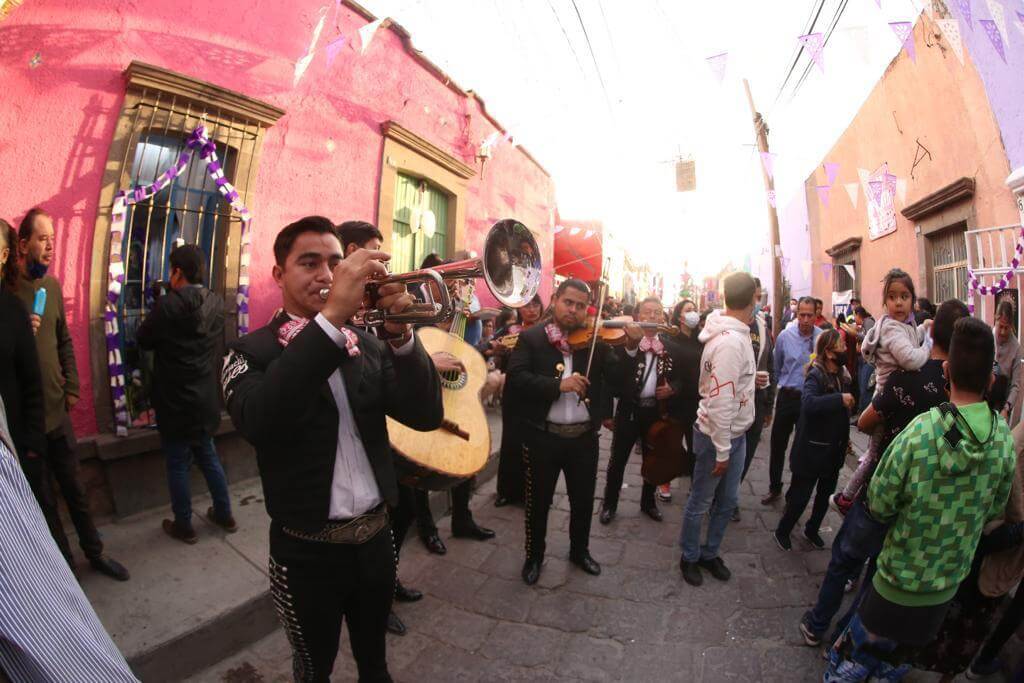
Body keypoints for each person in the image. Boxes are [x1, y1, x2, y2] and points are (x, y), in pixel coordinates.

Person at [221, 216, 443, 681]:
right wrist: (329, 321)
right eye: (309, 263)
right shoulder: (247, 352)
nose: (326, 275)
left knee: (376, 666)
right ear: (279, 274)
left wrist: (402, 337)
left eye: (336, 263)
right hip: (306, 555)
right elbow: (261, 420)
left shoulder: (367, 343)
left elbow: (423, 416)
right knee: (313, 670)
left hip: (376, 542)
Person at [824, 316, 1016, 681]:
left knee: (849, 666)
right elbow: (994, 508)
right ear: (990, 380)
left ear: (946, 370)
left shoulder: (923, 431)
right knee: (893, 668)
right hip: (943, 592)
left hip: (894, 586)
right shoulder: (1002, 439)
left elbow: (879, 502)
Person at [798, 299, 967, 648]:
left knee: (845, 559)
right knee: (876, 573)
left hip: (880, 487)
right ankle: (847, 631)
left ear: (930, 331)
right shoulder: (955, 391)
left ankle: (817, 625)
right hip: (916, 499)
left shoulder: (908, 378)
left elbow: (864, 422)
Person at [15, 208, 129, 582]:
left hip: (58, 413)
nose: (50, 245)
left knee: (76, 491)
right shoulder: (8, 293)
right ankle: (66, 571)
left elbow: (64, 339)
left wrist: (72, 386)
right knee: (45, 501)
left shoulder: (51, 286)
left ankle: (95, 553)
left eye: (52, 238)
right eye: (42, 238)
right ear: (22, 244)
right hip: (27, 423)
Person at [508, 279, 615, 585]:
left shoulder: (596, 341)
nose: (574, 310)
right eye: (568, 302)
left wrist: (632, 345)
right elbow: (517, 378)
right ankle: (534, 556)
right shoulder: (531, 338)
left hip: (583, 438)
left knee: (583, 501)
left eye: (581, 306)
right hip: (543, 437)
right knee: (538, 502)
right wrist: (559, 385)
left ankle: (579, 551)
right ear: (555, 300)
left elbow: (616, 379)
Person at [136, 245, 237, 544]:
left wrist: (160, 303)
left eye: (171, 271)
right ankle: (225, 513)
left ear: (177, 271)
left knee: (178, 462)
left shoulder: (168, 305)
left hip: (174, 399)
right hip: (204, 396)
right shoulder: (216, 302)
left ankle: (184, 524)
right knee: (207, 455)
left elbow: (144, 338)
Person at [678, 272, 757, 587]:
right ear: (752, 300)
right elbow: (721, 401)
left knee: (726, 502)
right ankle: (690, 555)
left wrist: (751, 384)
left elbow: (728, 389)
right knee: (701, 500)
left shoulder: (735, 335)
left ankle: (709, 553)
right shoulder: (730, 343)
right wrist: (723, 449)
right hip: (717, 437)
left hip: (732, 433)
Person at [832, 268, 931, 514]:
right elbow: (910, 358)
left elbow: (908, 339)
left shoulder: (902, 325)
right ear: (885, 301)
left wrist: (922, 329)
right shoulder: (891, 328)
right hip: (888, 398)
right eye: (892, 297)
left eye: (904, 296)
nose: (898, 302)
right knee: (875, 453)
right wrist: (928, 343)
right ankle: (846, 498)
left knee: (877, 451)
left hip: (893, 395)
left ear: (912, 299)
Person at [599, 297, 683, 524]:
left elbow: (682, 377)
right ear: (637, 317)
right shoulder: (622, 343)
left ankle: (648, 503)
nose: (653, 317)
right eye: (647, 312)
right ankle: (609, 504)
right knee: (617, 460)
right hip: (629, 411)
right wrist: (606, 413)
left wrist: (672, 389)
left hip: (655, 413)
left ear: (663, 318)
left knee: (653, 459)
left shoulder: (671, 347)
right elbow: (609, 380)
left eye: (657, 313)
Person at [772, 329, 853, 551]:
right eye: (841, 346)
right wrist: (839, 399)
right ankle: (782, 531)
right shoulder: (815, 375)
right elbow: (809, 404)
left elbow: (843, 413)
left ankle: (812, 528)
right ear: (828, 352)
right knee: (800, 497)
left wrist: (846, 439)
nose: (845, 350)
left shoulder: (842, 375)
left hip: (833, 451)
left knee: (824, 496)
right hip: (811, 450)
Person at [761, 296, 821, 505]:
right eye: (801, 315)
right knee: (778, 444)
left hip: (810, 400)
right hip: (788, 397)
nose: (805, 319)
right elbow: (776, 368)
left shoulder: (821, 338)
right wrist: (771, 400)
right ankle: (774, 487)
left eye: (809, 315)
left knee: (801, 448)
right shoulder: (786, 336)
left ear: (816, 315)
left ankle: (794, 493)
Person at [494, 293, 544, 507]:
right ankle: (505, 491)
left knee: (533, 445)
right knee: (510, 441)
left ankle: (530, 493)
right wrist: (499, 351)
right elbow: (493, 353)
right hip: (513, 392)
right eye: (527, 306)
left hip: (536, 392)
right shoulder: (509, 330)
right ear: (518, 309)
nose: (532, 310)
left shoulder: (547, 331)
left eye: (535, 305)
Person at [659, 299, 702, 502]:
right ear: (679, 316)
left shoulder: (702, 340)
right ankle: (665, 484)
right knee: (671, 445)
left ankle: (696, 485)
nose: (693, 313)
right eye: (688, 310)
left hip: (696, 402)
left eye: (695, 310)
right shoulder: (669, 339)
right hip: (675, 401)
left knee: (696, 448)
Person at [739, 279, 775, 519]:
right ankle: (719, 496)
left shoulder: (763, 325)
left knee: (747, 454)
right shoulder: (728, 325)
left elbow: (770, 365)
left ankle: (731, 494)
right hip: (734, 402)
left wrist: (769, 404)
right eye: (755, 296)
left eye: (760, 296)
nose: (757, 301)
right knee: (728, 453)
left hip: (758, 403)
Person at [994, 300, 1021, 427]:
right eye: (1001, 327)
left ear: (1011, 326)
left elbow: (1015, 385)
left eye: (1007, 328)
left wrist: (1006, 408)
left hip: (1003, 404)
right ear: (996, 320)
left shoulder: (1016, 347)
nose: (1003, 332)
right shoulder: (987, 336)